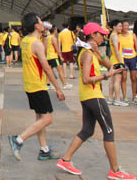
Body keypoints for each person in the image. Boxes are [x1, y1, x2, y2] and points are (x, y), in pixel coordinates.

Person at [56, 23, 135, 180]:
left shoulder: (91, 52)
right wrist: (106, 76)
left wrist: (98, 52)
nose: (104, 37)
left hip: (87, 97)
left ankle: (65, 160)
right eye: (101, 34)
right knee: (109, 131)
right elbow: (86, 79)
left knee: (87, 130)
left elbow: (109, 65)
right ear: (93, 35)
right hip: (94, 96)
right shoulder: (87, 54)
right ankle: (115, 170)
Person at [9, 13, 65, 161]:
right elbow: (46, 67)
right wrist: (58, 88)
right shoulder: (36, 43)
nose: (43, 23)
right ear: (36, 25)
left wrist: (45, 35)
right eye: (41, 21)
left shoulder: (26, 40)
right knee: (47, 119)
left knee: (40, 118)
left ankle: (44, 150)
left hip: (30, 84)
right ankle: (19, 139)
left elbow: (42, 52)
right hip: (38, 85)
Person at [43, 23, 71, 90]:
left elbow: (45, 48)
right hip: (54, 56)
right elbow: (57, 48)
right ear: (55, 30)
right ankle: (64, 84)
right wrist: (60, 56)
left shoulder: (47, 37)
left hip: (48, 57)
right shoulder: (53, 38)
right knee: (60, 70)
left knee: (49, 71)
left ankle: (48, 84)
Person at [107, 20, 127, 106]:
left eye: (121, 26)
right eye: (119, 26)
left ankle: (110, 98)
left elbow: (112, 51)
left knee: (112, 80)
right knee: (117, 80)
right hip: (117, 60)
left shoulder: (112, 35)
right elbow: (116, 50)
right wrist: (121, 62)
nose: (121, 28)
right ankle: (117, 99)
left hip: (113, 60)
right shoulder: (115, 36)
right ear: (114, 27)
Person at [120, 20, 137, 104]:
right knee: (124, 78)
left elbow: (136, 47)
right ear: (121, 27)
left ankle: (134, 96)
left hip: (133, 58)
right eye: (124, 26)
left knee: (134, 78)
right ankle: (124, 96)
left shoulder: (132, 35)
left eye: (127, 25)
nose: (126, 27)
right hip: (124, 59)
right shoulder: (118, 36)